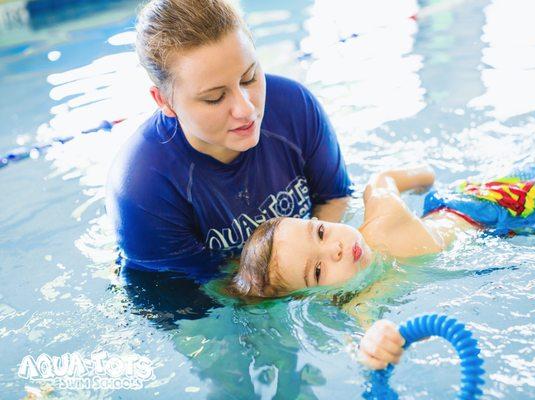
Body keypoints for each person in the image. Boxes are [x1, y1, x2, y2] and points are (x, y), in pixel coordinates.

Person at [229, 67, 535, 369]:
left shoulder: (383, 221)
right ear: (313, 295)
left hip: (481, 208)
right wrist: (371, 347)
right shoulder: (362, 297)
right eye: (319, 272)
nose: (337, 250)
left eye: (322, 232)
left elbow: (382, 181)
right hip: (486, 228)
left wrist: (423, 178)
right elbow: (362, 335)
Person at [105, 0, 353, 275]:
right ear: (164, 100)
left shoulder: (295, 108)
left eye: (249, 78)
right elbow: (188, 292)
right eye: (215, 97)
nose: (247, 109)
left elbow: (336, 199)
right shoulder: (143, 186)